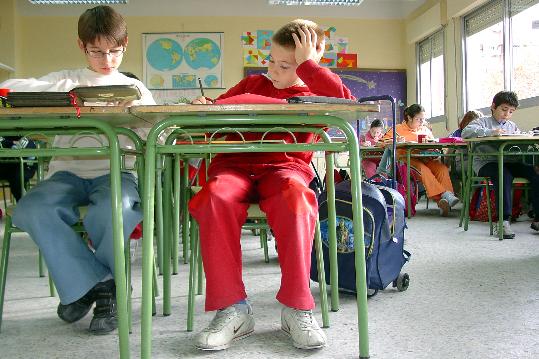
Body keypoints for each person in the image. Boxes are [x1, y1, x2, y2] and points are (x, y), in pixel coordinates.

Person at [188, 19, 354, 351]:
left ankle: (297, 308)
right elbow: (211, 120)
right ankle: (232, 309)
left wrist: (311, 67)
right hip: (232, 167)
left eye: (286, 65)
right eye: (271, 61)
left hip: (284, 171)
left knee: (297, 201)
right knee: (214, 197)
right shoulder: (251, 83)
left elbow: (347, 107)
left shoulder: (314, 94)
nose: (274, 71)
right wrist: (204, 110)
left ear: (311, 61)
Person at [0, 5, 155, 334]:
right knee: (31, 209)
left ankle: (91, 289)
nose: (107, 60)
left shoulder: (135, 87)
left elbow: (160, 133)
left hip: (118, 172)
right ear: (81, 46)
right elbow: (10, 87)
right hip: (66, 174)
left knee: (114, 211)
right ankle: (102, 284)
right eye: (97, 52)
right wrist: (66, 96)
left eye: (115, 51)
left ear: (125, 44)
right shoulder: (65, 78)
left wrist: (138, 113)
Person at [462, 90, 539, 239]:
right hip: (486, 162)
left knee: (535, 172)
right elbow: (466, 132)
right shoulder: (482, 121)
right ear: (493, 106)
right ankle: (503, 221)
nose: (507, 114)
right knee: (504, 174)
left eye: (511, 111)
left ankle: (538, 218)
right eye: (504, 109)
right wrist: (491, 131)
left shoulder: (512, 125)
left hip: (508, 161)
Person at [384, 104, 459, 216]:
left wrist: (433, 149)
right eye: (418, 119)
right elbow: (382, 143)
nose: (421, 122)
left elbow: (432, 144)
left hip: (425, 158)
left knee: (442, 168)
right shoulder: (397, 129)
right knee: (424, 170)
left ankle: (445, 201)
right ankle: (444, 196)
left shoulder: (425, 129)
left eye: (423, 119)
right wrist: (396, 140)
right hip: (406, 160)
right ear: (409, 117)